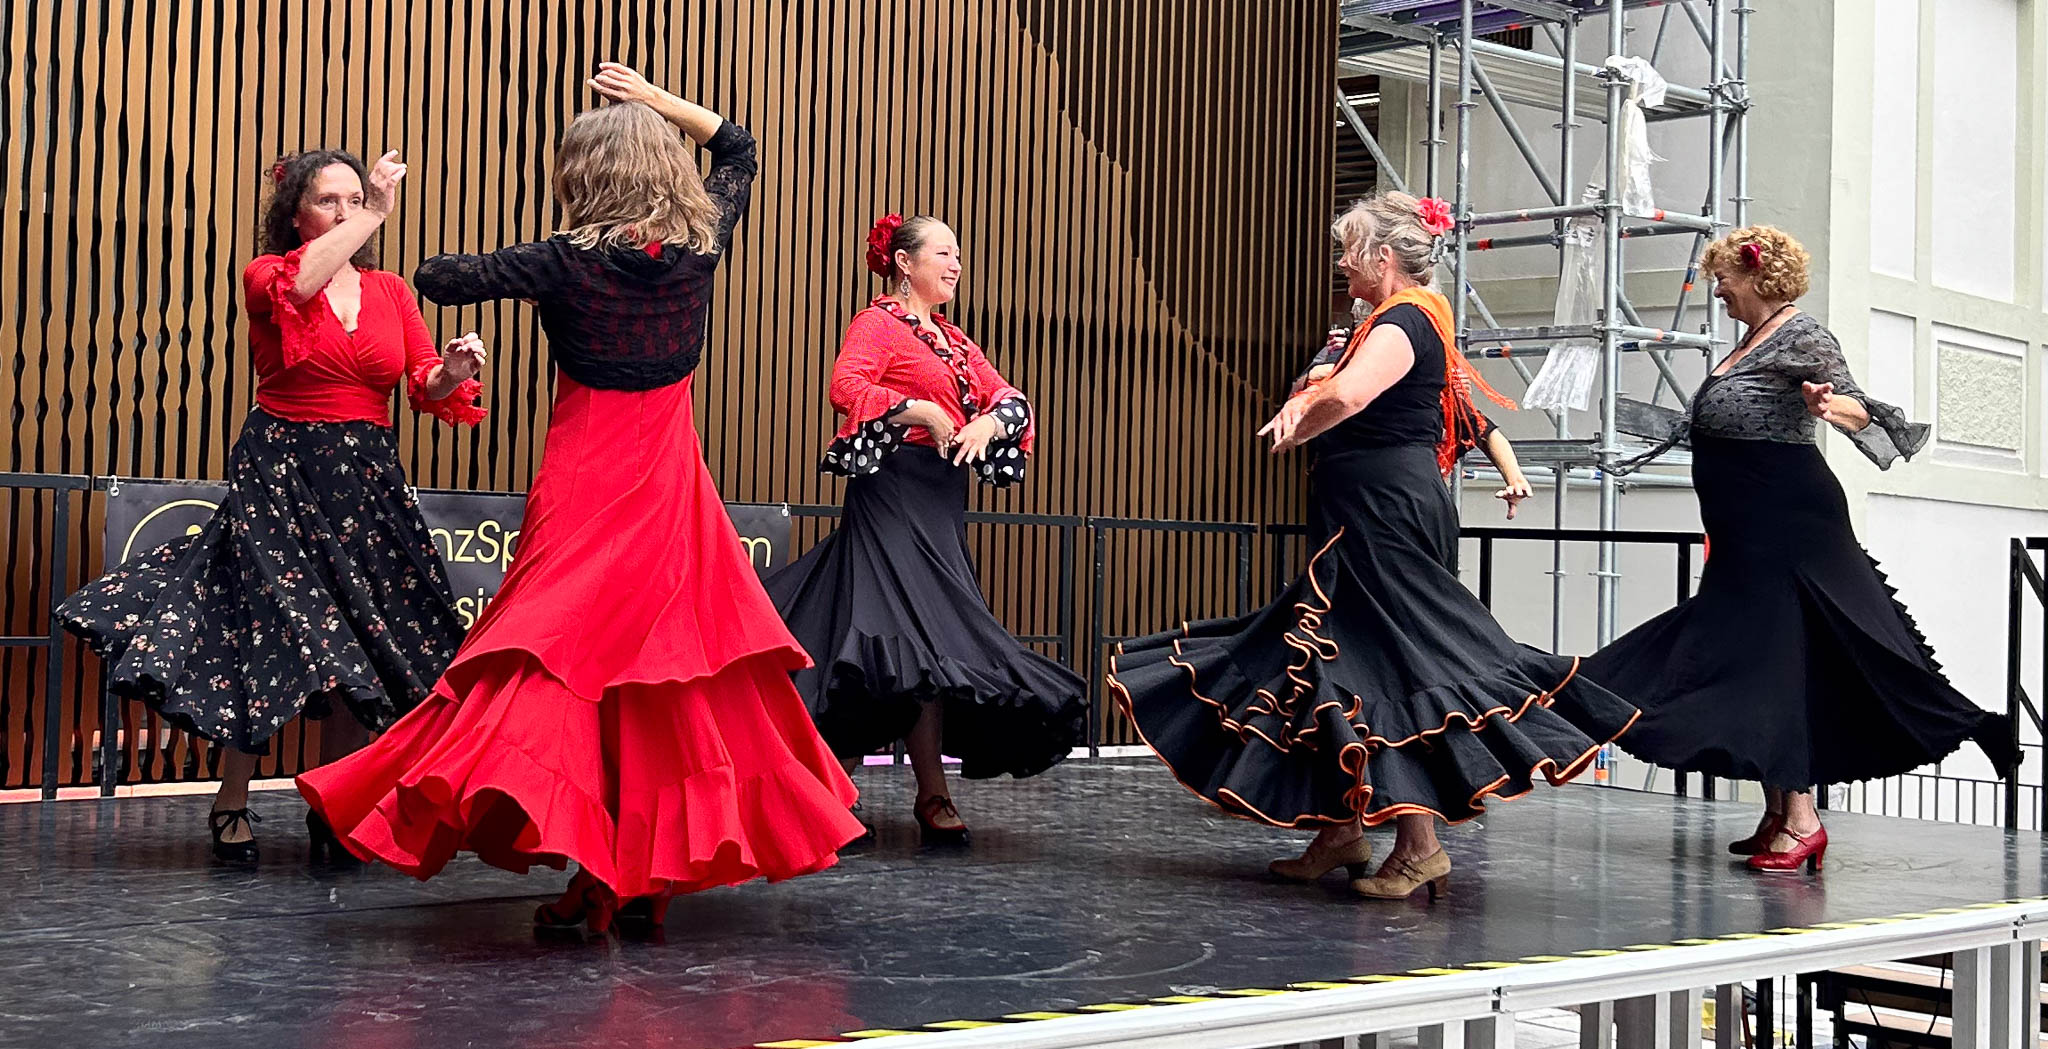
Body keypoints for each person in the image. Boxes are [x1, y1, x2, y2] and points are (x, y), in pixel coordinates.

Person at [297, 63, 862, 933]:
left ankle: (599, 873)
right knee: (661, 677)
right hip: (669, 479)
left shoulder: (562, 261)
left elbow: (441, 276)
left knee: (560, 666)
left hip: (585, 481)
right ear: (665, 171)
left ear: (582, 177)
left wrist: (412, 221)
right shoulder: (701, 244)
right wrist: (657, 103)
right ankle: (639, 879)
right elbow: (739, 149)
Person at [1110, 192, 1637, 901]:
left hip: (1384, 512)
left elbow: (1352, 396)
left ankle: (1420, 846)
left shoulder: (1404, 319)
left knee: (1392, 667)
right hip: (1364, 507)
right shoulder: (1393, 319)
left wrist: (1301, 413)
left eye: (1348, 250)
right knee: (1335, 666)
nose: (1341, 263)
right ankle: (1343, 830)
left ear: (1381, 257)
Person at [56, 148, 486, 862]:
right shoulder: (269, 275)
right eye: (329, 201)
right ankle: (232, 798)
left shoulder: (389, 292)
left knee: (358, 637)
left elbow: (423, 382)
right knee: (263, 628)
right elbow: (305, 282)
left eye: (355, 200)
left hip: (364, 476)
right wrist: (378, 212)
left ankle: (333, 802)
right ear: (295, 215)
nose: (346, 213)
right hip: (281, 466)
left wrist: (453, 370)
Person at [1588, 225, 2016, 874]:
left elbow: (1859, 409)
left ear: (1757, 276)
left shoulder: (1803, 335)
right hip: (1744, 527)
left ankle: (1803, 818)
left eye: (1723, 279)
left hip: (1786, 521)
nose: (1717, 292)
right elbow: (1716, 422)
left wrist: (1827, 404)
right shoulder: (1749, 340)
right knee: (1759, 660)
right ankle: (1779, 813)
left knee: (1775, 660)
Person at [764, 214, 1087, 843]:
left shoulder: (956, 341)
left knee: (916, 640)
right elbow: (845, 386)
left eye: (958, 254)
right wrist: (919, 410)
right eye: (943, 253)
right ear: (904, 262)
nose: (956, 264)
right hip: (891, 490)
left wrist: (987, 422)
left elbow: (1010, 399)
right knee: (901, 637)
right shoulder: (878, 323)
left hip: (940, 500)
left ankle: (851, 783)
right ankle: (921, 791)